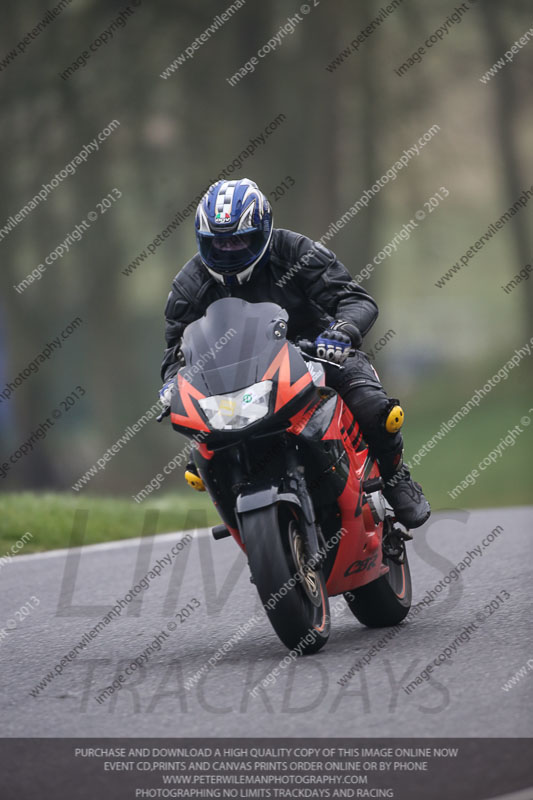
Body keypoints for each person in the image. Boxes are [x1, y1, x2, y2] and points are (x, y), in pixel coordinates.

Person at [160, 178, 430, 529]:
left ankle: (396, 480)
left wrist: (342, 332)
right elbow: (174, 351)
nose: (229, 250)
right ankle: (242, 516)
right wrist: (170, 384)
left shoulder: (295, 251)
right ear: (202, 240)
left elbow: (355, 299)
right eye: (219, 243)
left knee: (374, 408)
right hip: (232, 379)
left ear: (264, 231)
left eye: (240, 239)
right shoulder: (189, 284)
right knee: (200, 457)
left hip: (316, 352)